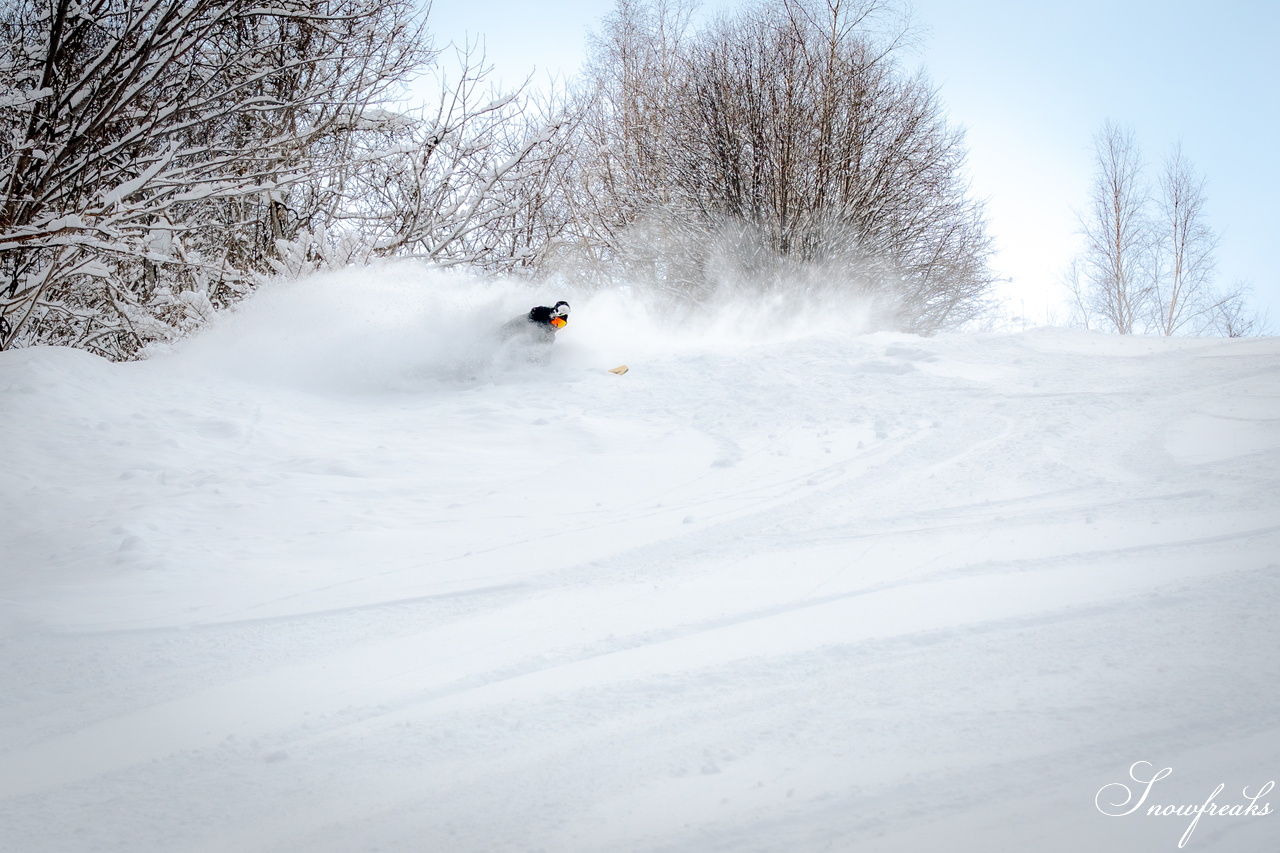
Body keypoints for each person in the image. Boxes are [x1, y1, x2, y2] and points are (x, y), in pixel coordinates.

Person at [498, 301, 570, 351]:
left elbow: (544, 352)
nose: (556, 326)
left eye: (561, 324)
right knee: (502, 334)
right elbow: (535, 311)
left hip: (523, 346)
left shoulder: (549, 336)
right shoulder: (542, 313)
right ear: (553, 316)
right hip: (521, 325)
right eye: (557, 321)